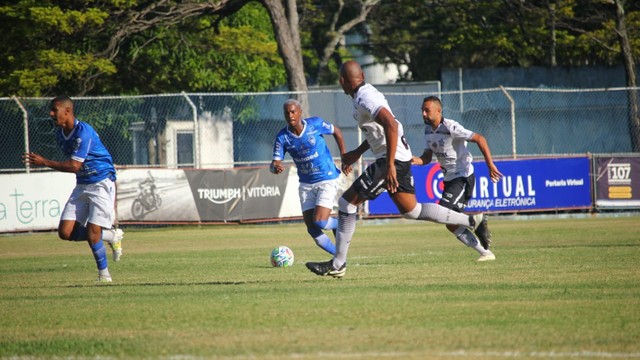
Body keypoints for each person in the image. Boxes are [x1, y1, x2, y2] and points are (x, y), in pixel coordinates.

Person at [305, 61, 492, 278]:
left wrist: (391, 165)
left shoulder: (366, 97)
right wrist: (357, 152)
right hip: (395, 157)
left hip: (390, 160)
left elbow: (391, 126)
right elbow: (380, 130)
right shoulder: (362, 96)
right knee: (412, 211)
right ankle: (471, 220)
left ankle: (338, 264)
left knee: (347, 203)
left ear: (341, 82)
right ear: (363, 75)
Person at [23, 95, 123, 283]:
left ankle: (104, 276)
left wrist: (45, 162)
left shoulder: (83, 132)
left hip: (101, 182)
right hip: (83, 184)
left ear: (67, 111)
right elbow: (74, 166)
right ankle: (111, 235)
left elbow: (74, 166)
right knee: (65, 232)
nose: (51, 113)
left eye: (55, 110)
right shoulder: (60, 134)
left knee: (93, 233)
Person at [412, 95, 503, 260]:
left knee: (442, 212)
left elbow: (480, 138)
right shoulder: (428, 131)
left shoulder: (451, 127)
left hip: (462, 178)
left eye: (427, 110)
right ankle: (485, 252)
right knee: (450, 223)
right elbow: (427, 156)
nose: (424, 114)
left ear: (439, 111)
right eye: (422, 111)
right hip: (449, 180)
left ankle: (475, 221)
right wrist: (415, 160)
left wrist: (490, 165)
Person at [271, 99, 351, 255]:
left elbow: (337, 132)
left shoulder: (315, 124)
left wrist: (344, 158)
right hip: (306, 184)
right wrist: (275, 168)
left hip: (326, 178)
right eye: (287, 112)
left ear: (300, 112)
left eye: (293, 111)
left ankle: (339, 224)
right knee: (312, 228)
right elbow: (274, 164)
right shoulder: (282, 137)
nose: (290, 115)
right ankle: (338, 257)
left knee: (320, 221)